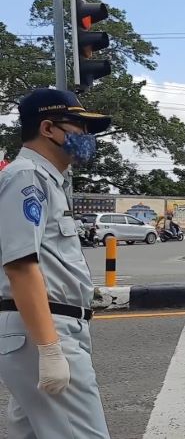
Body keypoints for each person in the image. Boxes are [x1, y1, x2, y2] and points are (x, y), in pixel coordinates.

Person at [0, 88, 111, 438]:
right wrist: (49, 349)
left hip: (43, 328)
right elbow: (20, 266)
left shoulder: (46, 180)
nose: (87, 137)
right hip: (44, 329)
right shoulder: (27, 177)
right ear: (48, 128)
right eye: (79, 126)